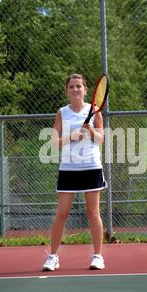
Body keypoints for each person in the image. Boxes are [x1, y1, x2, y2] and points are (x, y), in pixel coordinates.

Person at [42, 73, 107, 271]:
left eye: (79, 86)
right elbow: (54, 142)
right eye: (72, 86)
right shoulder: (62, 113)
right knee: (62, 213)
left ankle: (98, 256)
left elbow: (101, 139)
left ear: (86, 90)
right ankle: (52, 257)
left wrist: (91, 132)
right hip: (68, 168)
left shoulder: (94, 111)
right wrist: (72, 136)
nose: (76, 89)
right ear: (67, 91)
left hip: (91, 166)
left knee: (92, 212)